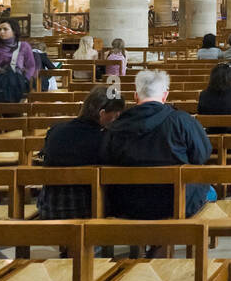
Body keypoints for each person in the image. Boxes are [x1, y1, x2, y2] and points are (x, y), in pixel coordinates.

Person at [101, 68, 212, 218]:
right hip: (176, 203)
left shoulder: (116, 126)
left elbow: (105, 159)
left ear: (136, 96)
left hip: (126, 204)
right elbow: (202, 155)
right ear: (165, 96)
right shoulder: (182, 121)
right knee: (210, 191)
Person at [37, 81, 124, 218]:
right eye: (116, 115)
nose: (116, 120)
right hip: (85, 210)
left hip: (49, 208)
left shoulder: (55, 130)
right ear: (102, 114)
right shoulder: (103, 139)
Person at [0, 18, 38, 110]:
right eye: (0, 29)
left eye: (5, 29)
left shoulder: (24, 46)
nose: (1, 32)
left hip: (17, 81)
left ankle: (6, 113)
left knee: (7, 88)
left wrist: (25, 78)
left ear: (14, 31)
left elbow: (31, 66)